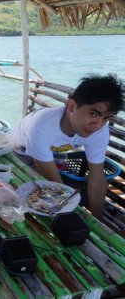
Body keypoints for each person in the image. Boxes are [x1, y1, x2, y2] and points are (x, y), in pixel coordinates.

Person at [10, 73, 124, 219]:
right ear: (71, 106)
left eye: (105, 118)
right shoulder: (42, 125)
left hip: (52, 152)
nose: (97, 125)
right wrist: (69, 215)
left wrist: (98, 219)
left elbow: (97, 177)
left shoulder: (100, 131)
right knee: (29, 197)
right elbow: (56, 184)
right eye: (93, 114)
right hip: (20, 151)